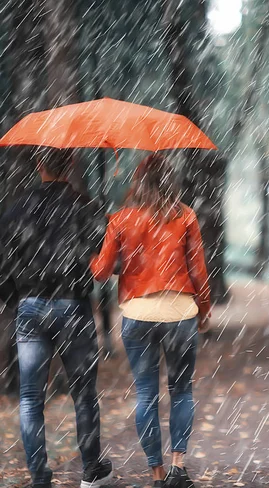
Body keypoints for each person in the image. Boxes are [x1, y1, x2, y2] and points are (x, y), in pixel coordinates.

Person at [91, 153, 211, 488]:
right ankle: (178, 468)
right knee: (181, 390)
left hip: (138, 315)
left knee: (146, 395)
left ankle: (156, 474)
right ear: (170, 181)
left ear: (137, 182)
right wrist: (205, 309)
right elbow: (198, 270)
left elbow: (101, 272)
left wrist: (92, 254)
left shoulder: (121, 218)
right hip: (180, 314)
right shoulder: (185, 215)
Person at [0, 148, 113, 488]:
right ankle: (91, 470)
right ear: (72, 165)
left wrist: (16, 298)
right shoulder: (84, 206)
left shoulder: (17, 209)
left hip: (30, 308)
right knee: (84, 392)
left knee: (30, 398)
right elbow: (104, 254)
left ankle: (39, 477)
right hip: (74, 307)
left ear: (38, 165)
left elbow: (3, 263)